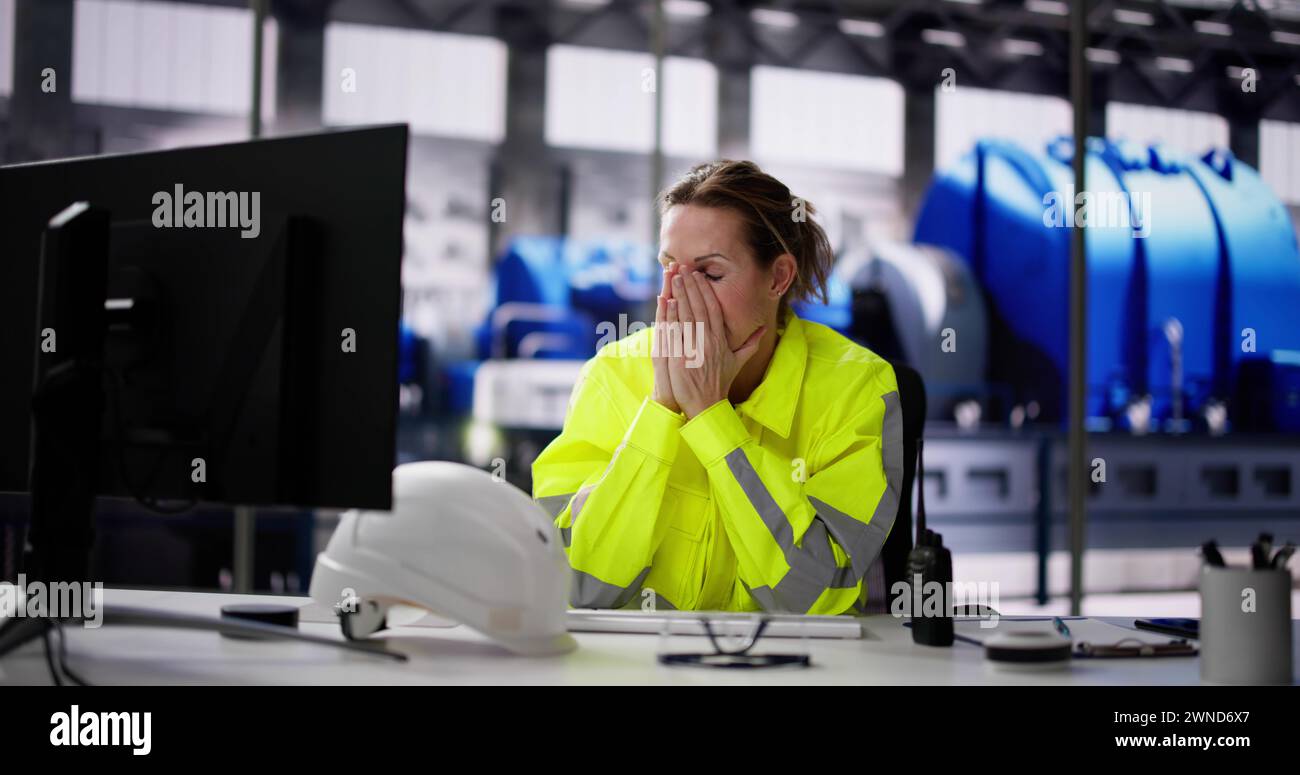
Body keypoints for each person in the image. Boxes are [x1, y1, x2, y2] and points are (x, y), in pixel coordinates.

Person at [532, 160, 902, 614]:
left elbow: (814, 597)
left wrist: (712, 418)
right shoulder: (611, 375)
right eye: (669, 268)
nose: (677, 297)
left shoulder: (857, 386)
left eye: (709, 274)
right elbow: (575, 587)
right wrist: (661, 411)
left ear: (778, 277)